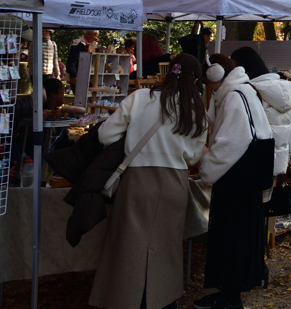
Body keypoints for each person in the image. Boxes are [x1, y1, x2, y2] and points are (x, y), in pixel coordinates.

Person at [89, 53, 208, 309]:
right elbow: (195, 156)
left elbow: (105, 134)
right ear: (196, 79)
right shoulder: (197, 109)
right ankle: (163, 301)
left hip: (136, 179)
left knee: (127, 246)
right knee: (166, 247)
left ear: (167, 73)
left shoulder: (140, 97)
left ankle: (124, 300)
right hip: (174, 181)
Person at [197, 55, 274, 309]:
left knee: (232, 237)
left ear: (215, 76)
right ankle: (228, 292)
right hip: (245, 181)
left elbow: (231, 142)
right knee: (238, 236)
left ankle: (230, 297)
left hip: (235, 180)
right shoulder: (242, 91)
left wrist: (207, 167)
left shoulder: (233, 96)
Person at [229, 47, 291, 178]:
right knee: (270, 195)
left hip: (258, 158)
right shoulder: (284, 88)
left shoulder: (249, 91)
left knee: (257, 197)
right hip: (280, 156)